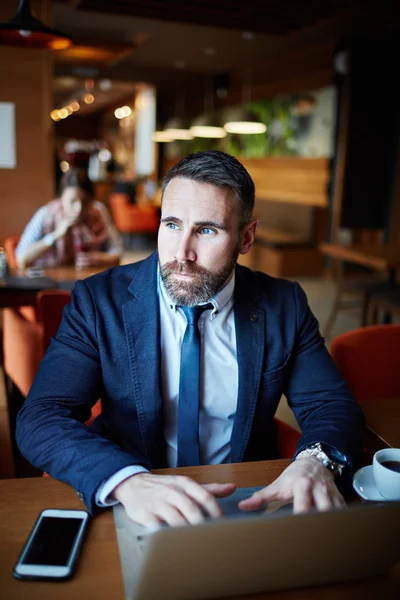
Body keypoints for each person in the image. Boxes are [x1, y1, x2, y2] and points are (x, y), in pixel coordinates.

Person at [16, 151, 364, 528]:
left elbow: (330, 405)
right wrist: (127, 481)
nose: (182, 254)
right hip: (132, 503)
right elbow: (42, 417)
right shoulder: (98, 301)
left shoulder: (284, 304)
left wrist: (317, 462)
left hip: (243, 504)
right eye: (171, 225)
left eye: (207, 230)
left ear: (246, 238)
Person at [15, 168, 122, 269]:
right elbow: (21, 259)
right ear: (61, 199)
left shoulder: (98, 212)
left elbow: (117, 254)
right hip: (52, 284)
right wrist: (55, 235)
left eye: (84, 202)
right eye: (72, 201)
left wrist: (101, 259)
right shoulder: (46, 214)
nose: (78, 208)